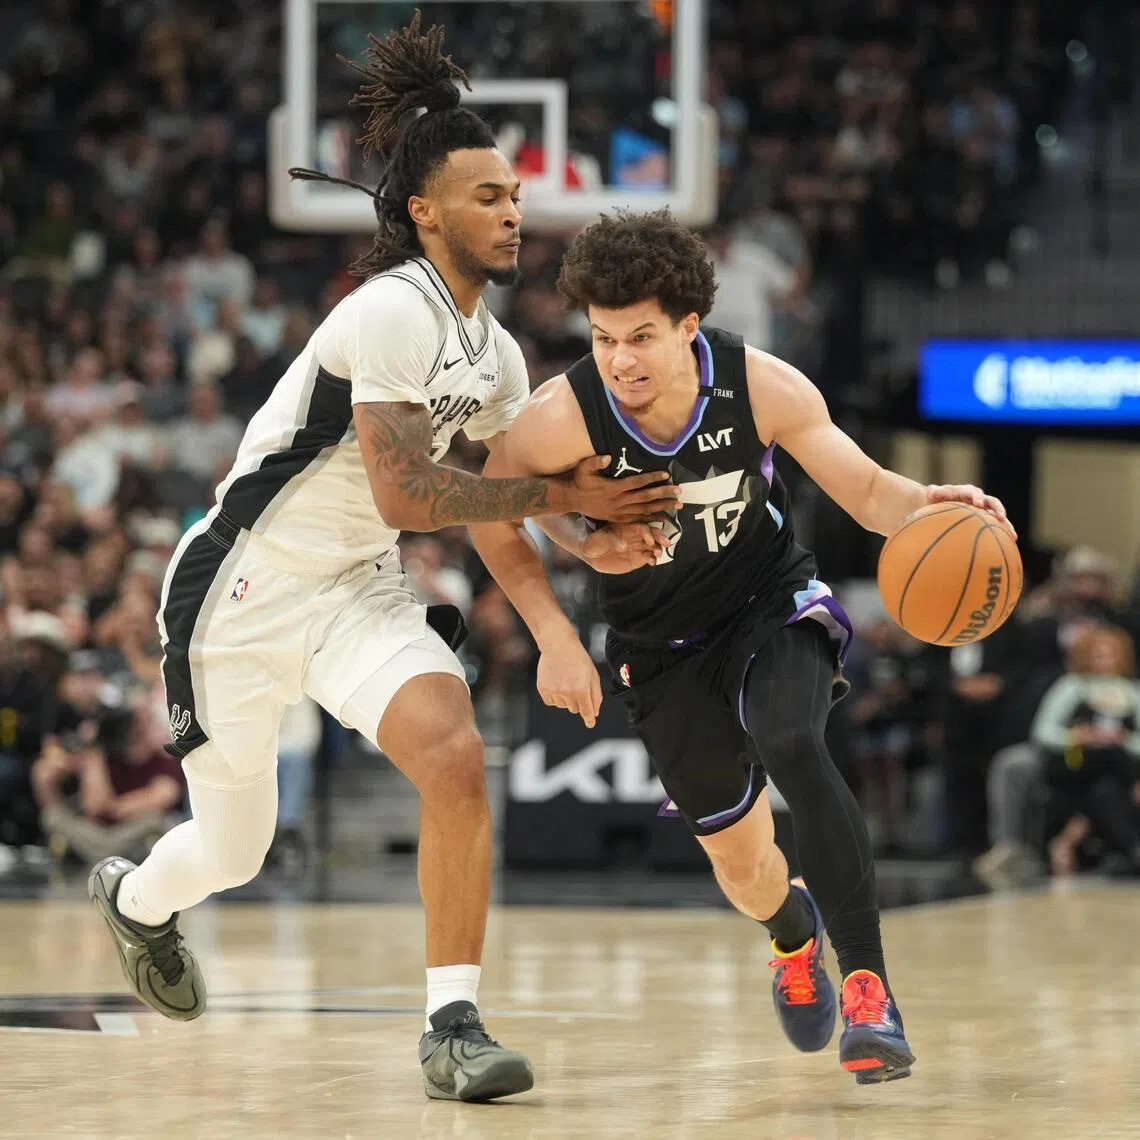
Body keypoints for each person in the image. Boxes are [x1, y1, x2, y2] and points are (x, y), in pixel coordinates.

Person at [86, 15, 676, 1104]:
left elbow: (494, 505)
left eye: (514, 195)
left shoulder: (495, 351)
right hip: (241, 589)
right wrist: (561, 495)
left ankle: (451, 1023)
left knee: (453, 755)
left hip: (356, 587)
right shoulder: (390, 311)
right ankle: (136, 902)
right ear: (423, 211)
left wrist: (579, 568)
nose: (513, 209)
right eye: (488, 196)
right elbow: (415, 491)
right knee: (234, 851)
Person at [469, 209, 1013, 1084]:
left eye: (641, 335)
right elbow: (492, 515)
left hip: (767, 601)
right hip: (659, 642)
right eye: (603, 337)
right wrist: (556, 630)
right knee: (743, 859)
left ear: (689, 326)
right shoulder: (560, 417)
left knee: (794, 738)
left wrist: (932, 506)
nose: (621, 360)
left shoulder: (762, 386)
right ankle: (792, 936)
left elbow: (868, 492)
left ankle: (870, 988)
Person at [1032, 624, 1140, 877]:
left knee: (1105, 789)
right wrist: (1079, 736)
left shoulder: (1132, 692)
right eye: (1099, 654)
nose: (1105, 660)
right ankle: (1136, 786)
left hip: (1113, 768)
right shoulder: (1072, 686)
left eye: (1111, 653)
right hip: (1074, 759)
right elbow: (1043, 732)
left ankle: (1126, 849)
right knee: (1108, 756)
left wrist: (1124, 738)